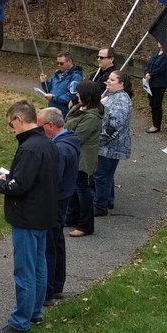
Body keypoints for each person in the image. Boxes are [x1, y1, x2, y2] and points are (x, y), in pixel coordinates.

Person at [0, 100, 58, 333]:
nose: (11, 130)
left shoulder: (29, 148)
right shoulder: (46, 143)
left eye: (11, 125)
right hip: (43, 214)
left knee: (24, 271)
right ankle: (35, 311)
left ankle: (20, 321)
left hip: (28, 217)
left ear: (19, 120)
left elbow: (19, 186)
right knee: (39, 266)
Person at [39, 107, 80, 306]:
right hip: (61, 200)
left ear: (50, 126)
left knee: (49, 246)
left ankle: (47, 291)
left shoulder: (60, 149)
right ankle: (56, 285)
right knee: (57, 242)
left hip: (55, 202)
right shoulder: (68, 141)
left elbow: (53, 179)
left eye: (40, 126)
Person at [65, 81, 103, 238]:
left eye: (79, 92)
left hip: (83, 157)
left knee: (82, 188)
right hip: (74, 153)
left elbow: (78, 136)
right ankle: (72, 216)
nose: (76, 94)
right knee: (73, 187)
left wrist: (66, 133)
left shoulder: (92, 116)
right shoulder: (79, 108)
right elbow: (67, 122)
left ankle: (86, 225)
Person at [94, 70, 133, 217]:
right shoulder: (112, 96)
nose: (108, 82)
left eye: (112, 80)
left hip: (110, 145)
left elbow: (116, 124)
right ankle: (107, 200)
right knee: (107, 174)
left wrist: (101, 139)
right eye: (108, 79)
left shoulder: (121, 99)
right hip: (109, 144)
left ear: (121, 83)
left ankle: (99, 206)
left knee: (101, 175)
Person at [39, 51, 83, 116]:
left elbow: (71, 96)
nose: (59, 65)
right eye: (57, 63)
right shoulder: (57, 74)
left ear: (70, 62)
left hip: (63, 113)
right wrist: (44, 82)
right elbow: (49, 91)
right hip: (52, 109)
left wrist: (54, 98)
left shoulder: (76, 77)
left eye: (61, 63)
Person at [144, 40, 167, 133]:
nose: (159, 42)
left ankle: (156, 125)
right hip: (150, 83)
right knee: (151, 103)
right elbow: (148, 65)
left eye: (161, 40)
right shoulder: (156, 53)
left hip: (159, 84)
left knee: (157, 104)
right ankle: (154, 122)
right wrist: (147, 72)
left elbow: (162, 68)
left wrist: (151, 74)